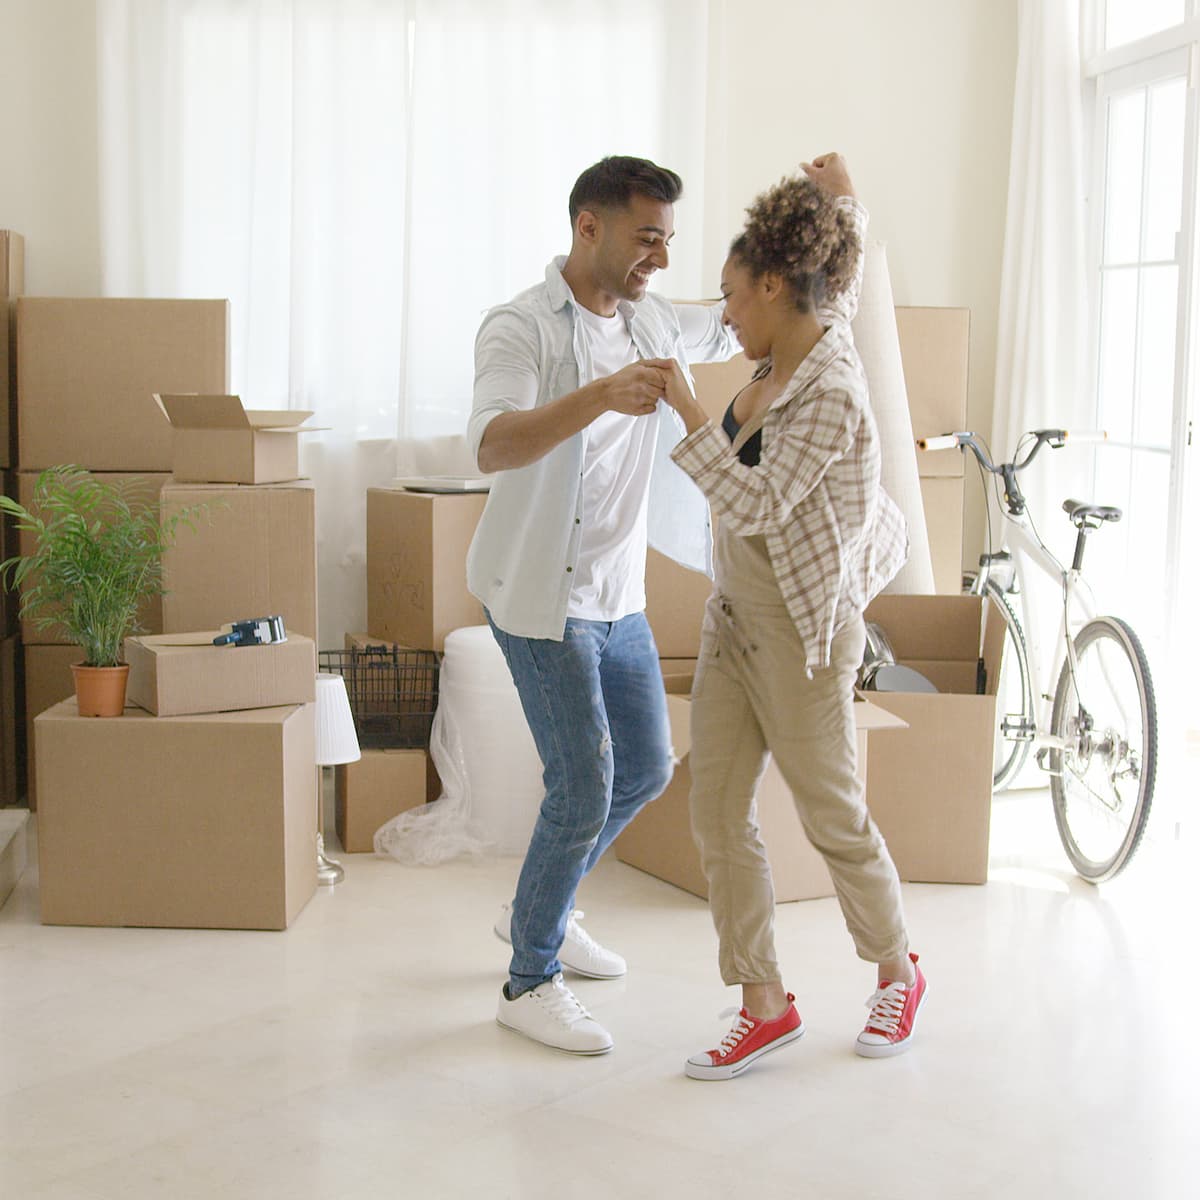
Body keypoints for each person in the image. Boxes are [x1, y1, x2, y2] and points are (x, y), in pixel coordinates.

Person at [658, 154, 927, 1080]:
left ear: (775, 286)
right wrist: (842, 191)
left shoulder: (834, 390)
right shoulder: (796, 337)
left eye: (733, 294)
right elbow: (837, 276)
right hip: (731, 617)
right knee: (716, 809)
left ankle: (898, 970)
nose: (725, 313)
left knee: (830, 812)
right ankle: (762, 1002)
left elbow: (759, 503)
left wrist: (690, 412)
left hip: (804, 632)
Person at [466, 155, 738, 1055]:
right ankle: (528, 978)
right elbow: (493, 446)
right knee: (581, 784)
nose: (659, 256)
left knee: (647, 768)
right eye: (645, 237)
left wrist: (827, 213)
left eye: (667, 238)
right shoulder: (519, 326)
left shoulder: (653, 314)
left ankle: (540, 909)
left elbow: (733, 317)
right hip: (543, 597)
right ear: (589, 227)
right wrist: (596, 397)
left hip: (620, 597)